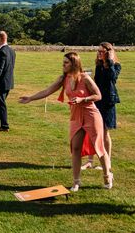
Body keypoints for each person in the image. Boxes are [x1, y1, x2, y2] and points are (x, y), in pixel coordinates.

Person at [19, 52, 113, 192]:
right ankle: (76, 182)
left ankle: (107, 176)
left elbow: (98, 95)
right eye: (63, 62)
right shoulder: (63, 78)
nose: (63, 65)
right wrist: (31, 98)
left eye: (66, 63)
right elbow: (47, 91)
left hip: (90, 114)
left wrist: (83, 99)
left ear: (74, 64)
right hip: (75, 116)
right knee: (75, 148)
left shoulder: (85, 78)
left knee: (99, 147)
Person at [82, 42, 121, 170]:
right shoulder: (98, 66)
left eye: (101, 52)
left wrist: (109, 61)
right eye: (98, 51)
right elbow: (97, 83)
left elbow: (112, 78)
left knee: (104, 133)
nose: (98, 53)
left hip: (108, 102)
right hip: (97, 100)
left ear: (109, 53)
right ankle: (90, 160)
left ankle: (107, 162)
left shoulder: (115, 66)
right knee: (92, 130)